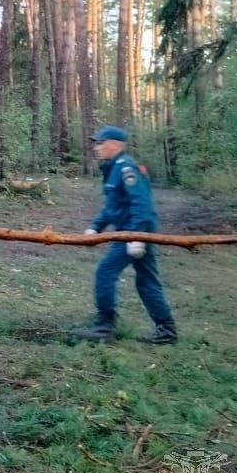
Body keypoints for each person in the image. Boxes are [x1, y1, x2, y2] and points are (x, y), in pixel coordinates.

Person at [78, 126, 178, 345]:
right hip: (130, 233)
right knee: (146, 280)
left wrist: (137, 236)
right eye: (96, 143)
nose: (97, 147)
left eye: (100, 143)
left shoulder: (127, 169)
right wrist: (95, 227)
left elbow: (142, 205)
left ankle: (105, 327)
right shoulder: (112, 168)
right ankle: (167, 330)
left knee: (105, 272)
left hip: (133, 233)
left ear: (114, 144)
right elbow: (112, 206)